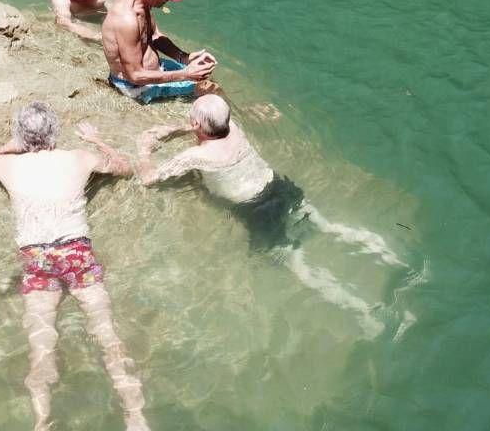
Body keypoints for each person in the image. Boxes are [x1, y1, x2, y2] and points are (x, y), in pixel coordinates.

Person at [0, 103, 162, 431]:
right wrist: (97, 140)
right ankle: (139, 430)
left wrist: (7, 147)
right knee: (109, 340)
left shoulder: (8, 165)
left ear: (22, 135)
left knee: (41, 353)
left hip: (37, 259)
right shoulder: (78, 157)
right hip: (77, 254)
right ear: (54, 132)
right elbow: (123, 168)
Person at [137, 95, 406, 337]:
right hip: (278, 187)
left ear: (196, 123)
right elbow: (212, 127)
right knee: (329, 226)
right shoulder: (235, 129)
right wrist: (182, 128)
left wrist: (144, 150)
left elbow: (149, 180)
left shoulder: (196, 155)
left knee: (297, 262)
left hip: (255, 209)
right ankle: (393, 258)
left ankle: (363, 312)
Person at [101, 0, 218, 104]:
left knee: (206, 77)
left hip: (153, 73)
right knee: (212, 90)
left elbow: (154, 35)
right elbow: (134, 75)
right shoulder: (127, 19)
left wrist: (184, 57)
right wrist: (185, 74)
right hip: (137, 87)